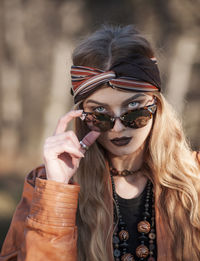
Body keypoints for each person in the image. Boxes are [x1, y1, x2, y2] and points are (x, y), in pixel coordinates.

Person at [0, 25, 200, 261]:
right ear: (82, 116)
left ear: (157, 107)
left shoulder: (195, 180)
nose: (117, 128)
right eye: (100, 113)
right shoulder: (47, 187)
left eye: (134, 109)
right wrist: (58, 194)